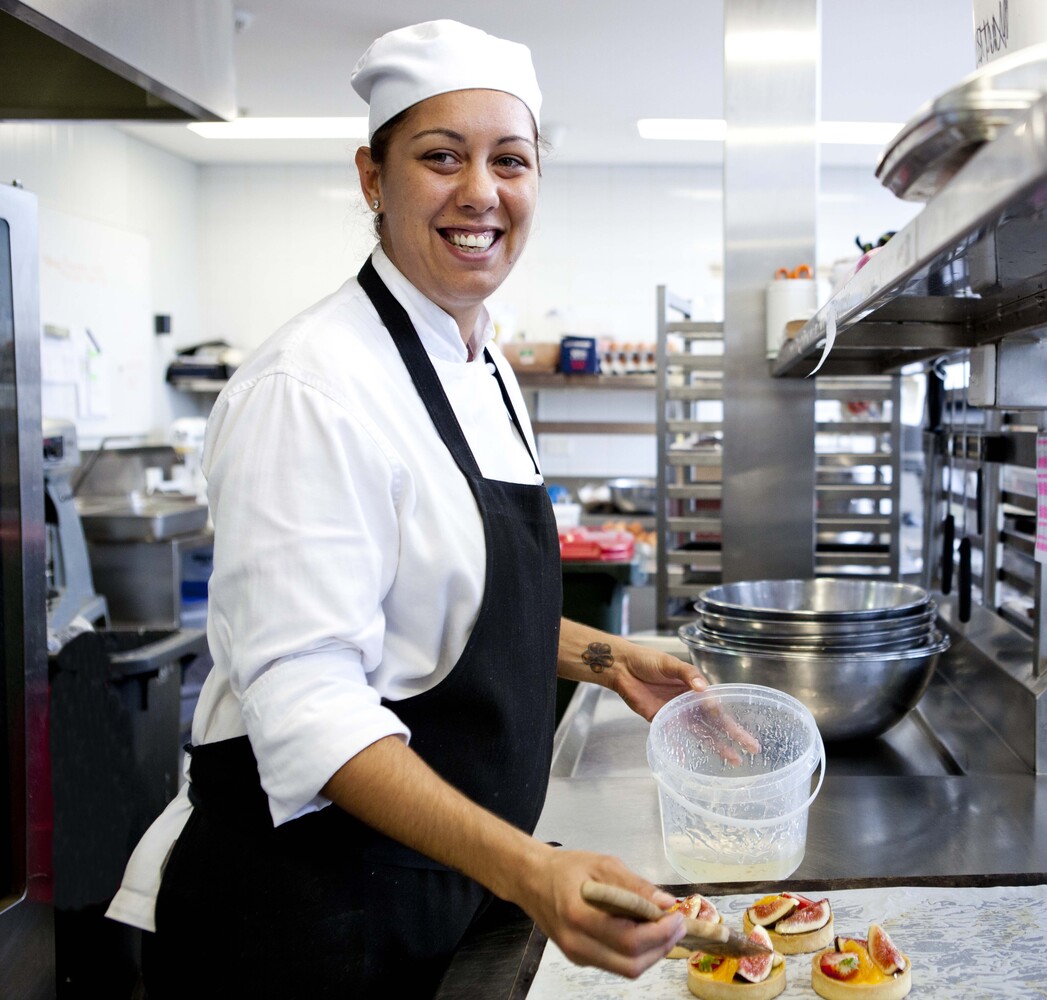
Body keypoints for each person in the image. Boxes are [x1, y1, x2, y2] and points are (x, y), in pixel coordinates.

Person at [106, 20, 706, 998]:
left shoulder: (486, 366)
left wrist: (609, 658)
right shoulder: (311, 388)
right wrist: (527, 867)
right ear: (373, 177)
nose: (481, 191)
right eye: (441, 156)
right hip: (299, 921)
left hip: (430, 892)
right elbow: (310, 706)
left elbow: (449, 602)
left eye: (510, 160)